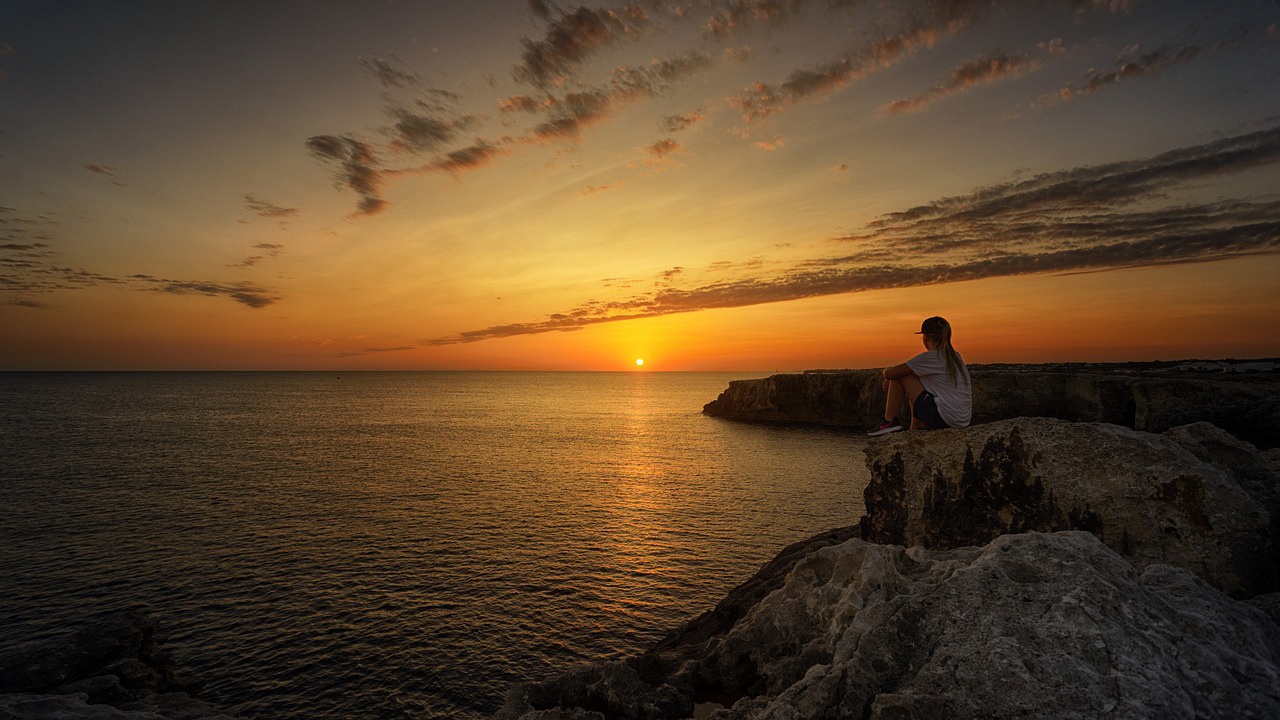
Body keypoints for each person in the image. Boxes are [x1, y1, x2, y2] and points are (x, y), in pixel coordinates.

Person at [867, 316, 972, 436]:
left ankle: (889, 421)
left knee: (902, 375)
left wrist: (886, 373)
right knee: (912, 375)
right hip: (962, 420)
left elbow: (891, 373)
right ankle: (915, 428)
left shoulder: (931, 357)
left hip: (945, 419)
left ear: (925, 337)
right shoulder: (955, 357)